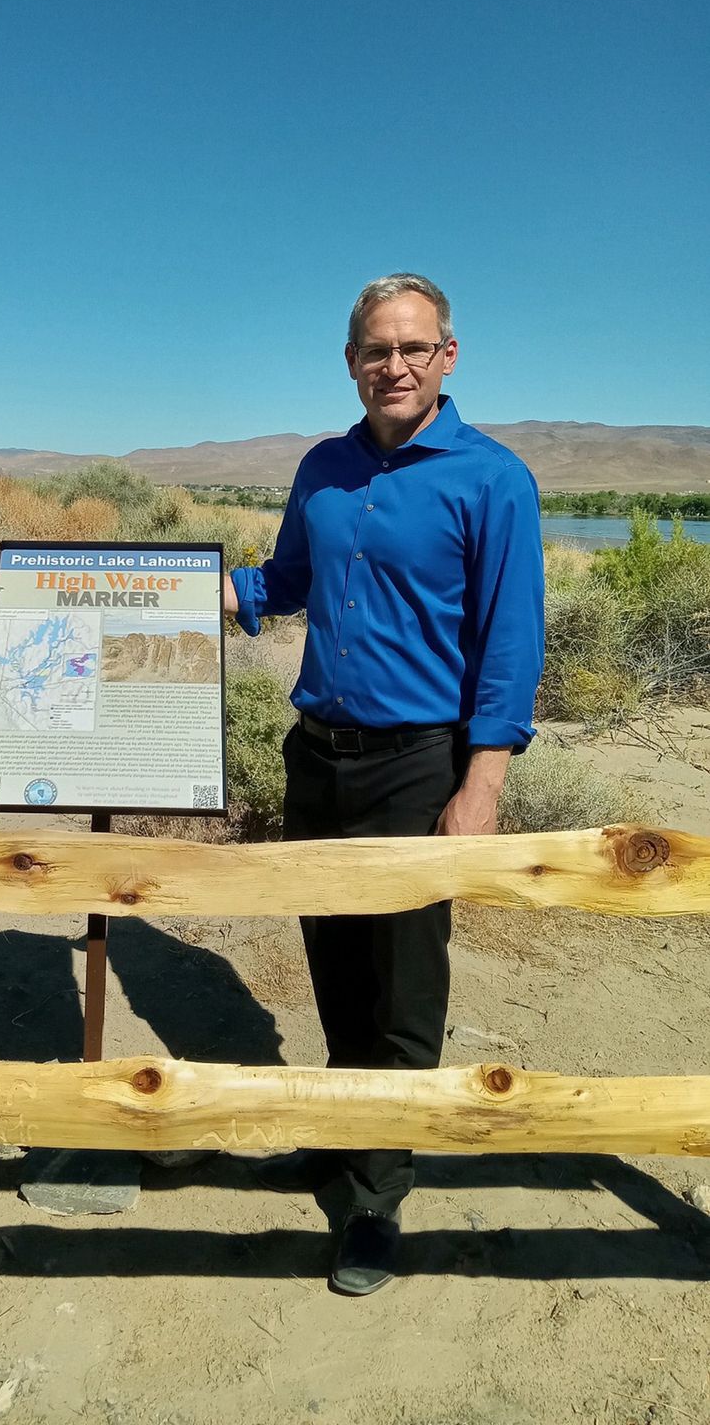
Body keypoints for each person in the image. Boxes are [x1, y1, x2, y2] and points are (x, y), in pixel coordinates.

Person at [223, 273, 544, 1296]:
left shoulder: (493, 478)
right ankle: (343, 1136)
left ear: (448, 356)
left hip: (419, 762)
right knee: (334, 964)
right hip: (318, 755)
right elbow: (287, 581)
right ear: (351, 361)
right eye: (375, 350)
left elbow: (512, 638)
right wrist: (177, 587)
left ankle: (376, 1191)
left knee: (405, 984)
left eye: (412, 348)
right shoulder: (323, 466)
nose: (393, 366)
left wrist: (481, 779)